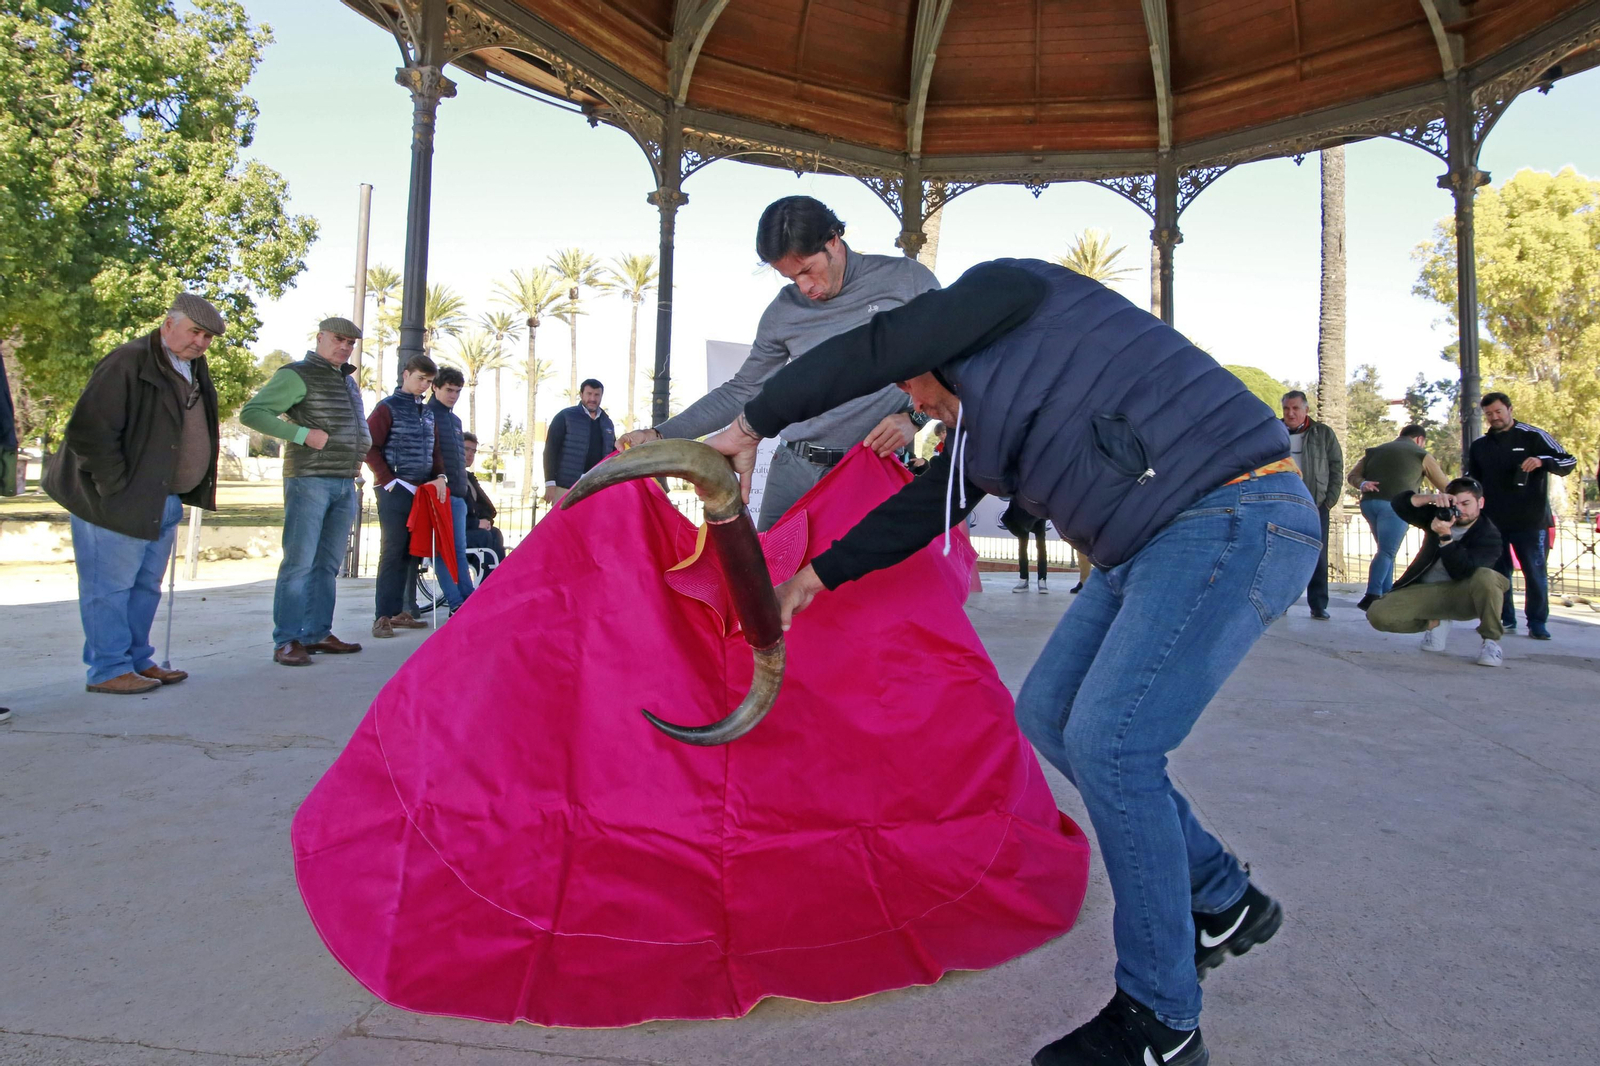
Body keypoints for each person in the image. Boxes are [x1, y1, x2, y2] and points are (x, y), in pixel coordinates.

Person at [702, 258, 1316, 1066]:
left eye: (914, 389)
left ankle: (1162, 1024)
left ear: (933, 345)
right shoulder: (981, 430)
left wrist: (751, 425)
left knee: (1113, 745)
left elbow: (881, 346)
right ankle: (1220, 895)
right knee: (1052, 717)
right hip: (1143, 547)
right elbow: (926, 505)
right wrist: (813, 577)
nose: (914, 405)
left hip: (1231, 512)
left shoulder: (1010, 292)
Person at [619, 196, 934, 530]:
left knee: (865, 581)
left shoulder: (906, 281)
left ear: (833, 240)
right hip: (794, 469)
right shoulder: (783, 312)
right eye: (790, 278)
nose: (804, 288)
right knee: (770, 576)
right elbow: (740, 391)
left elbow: (956, 362)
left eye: (808, 271)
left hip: (873, 465)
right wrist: (659, 434)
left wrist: (915, 417)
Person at [43, 294, 224, 694]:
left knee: (145, 586)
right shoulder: (127, 360)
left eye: (208, 337)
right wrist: (115, 488)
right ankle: (108, 668)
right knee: (108, 588)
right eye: (196, 332)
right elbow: (89, 431)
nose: (201, 342)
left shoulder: (191, 366)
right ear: (168, 324)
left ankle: (138, 660)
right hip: (118, 500)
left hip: (162, 498)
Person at [241, 317, 370, 666]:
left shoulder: (347, 382)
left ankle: (316, 633)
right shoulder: (296, 374)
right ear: (320, 337)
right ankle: (287, 639)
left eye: (351, 343)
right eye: (339, 339)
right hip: (309, 480)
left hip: (345, 480)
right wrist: (301, 435)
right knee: (299, 562)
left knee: (327, 564)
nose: (345, 347)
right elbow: (253, 413)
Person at [1467, 392, 1576, 639]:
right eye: (1489, 414)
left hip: (1531, 521)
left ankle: (1537, 623)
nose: (1494, 417)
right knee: (1497, 574)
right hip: (1493, 522)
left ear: (1509, 409)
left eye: (1498, 412)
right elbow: (1471, 480)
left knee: (1535, 573)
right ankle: (1505, 619)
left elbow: (1569, 461)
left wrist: (1541, 461)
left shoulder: (1533, 436)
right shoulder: (1480, 446)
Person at [1366, 479, 1509, 666]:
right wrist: (1432, 498)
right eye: (1454, 504)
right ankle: (1434, 622)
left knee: (1487, 577)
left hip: (1464, 594)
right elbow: (1399, 504)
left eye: (1466, 504)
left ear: (1480, 503)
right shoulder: (1438, 516)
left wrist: (1445, 538)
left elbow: (1462, 571)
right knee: (1377, 614)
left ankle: (1491, 642)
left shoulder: (1489, 535)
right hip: (1428, 591)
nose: (1459, 511)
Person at [365, 354, 448, 638]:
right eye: (419, 379)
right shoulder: (386, 408)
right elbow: (368, 446)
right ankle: (382, 617)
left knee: (411, 553)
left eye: (428, 381)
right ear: (405, 375)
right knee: (392, 551)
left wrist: (440, 477)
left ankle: (402, 611)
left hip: (422, 490)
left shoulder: (427, 413)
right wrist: (388, 481)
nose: (424, 385)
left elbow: (435, 452)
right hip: (395, 490)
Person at [1346, 424, 1450, 611]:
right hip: (1395, 506)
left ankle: (1386, 595)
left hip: (1369, 504)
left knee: (1385, 551)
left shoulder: (1375, 451)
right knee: (1387, 552)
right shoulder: (1421, 454)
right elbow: (1444, 485)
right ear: (1419, 439)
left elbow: (1352, 476)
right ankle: (1372, 594)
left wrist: (1363, 484)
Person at [1280, 390, 1342, 619]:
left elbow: (1336, 467)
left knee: (1318, 555)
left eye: (1295, 408)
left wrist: (1329, 500)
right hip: (1282, 503)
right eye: (1287, 408)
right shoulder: (1274, 431)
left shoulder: (1323, 433)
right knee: (1282, 554)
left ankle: (1318, 605)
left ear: (1306, 410)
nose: (1290, 413)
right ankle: (1281, 603)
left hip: (1315, 504)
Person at [426, 366, 476, 610]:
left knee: (458, 551)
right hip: (438, 494)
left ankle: (468, 600)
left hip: (458, 495)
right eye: (449, 390)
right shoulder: (426, 414)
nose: (453, 395)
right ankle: (457, 602)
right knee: (441, 552)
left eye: (457, 391)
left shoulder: (455, 420)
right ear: (435, 387)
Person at [543, 378, 614, 505]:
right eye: (589, 394)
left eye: (597, 395)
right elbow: (550, 450)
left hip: (595, 488)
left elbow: (612, 453)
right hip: (565, 488)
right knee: (563, 524)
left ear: (601, 396)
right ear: (581, 395)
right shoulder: (565, 416)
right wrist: (550, 483)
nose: (593, 398)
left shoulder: (607, 423)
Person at [460, 432, 505, 562]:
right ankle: (489, 581)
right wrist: (477, 523)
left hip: (473, 529)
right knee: (484, 537)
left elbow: (485, 507)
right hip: (457, 532)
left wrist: (485, 520)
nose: (470, 454)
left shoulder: (469, 478)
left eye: (473, 451)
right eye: (466, 449)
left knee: (495, 533)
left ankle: (498, 579)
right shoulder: (450, 478)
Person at [1002, 497, 1050, 593]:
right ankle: (1023, 579)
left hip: (1039, 505)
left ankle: (1042, 580)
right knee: (1023, 542)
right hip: (1023, 506)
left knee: (1040, 543)